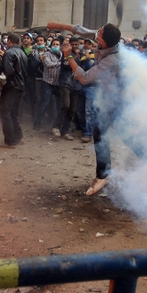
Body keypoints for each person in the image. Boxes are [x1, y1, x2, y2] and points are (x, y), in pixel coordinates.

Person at [47, 21, 122, 196]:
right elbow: (83, 30)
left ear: (102, 42)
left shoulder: (112, 59)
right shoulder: (105, 41)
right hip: (110, 94)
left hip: (120, 97)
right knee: (101, 131)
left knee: (103, 131)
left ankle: (104, 175)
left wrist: (69, 57)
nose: (96, 32)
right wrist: (60, 25)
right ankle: (105, 173)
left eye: (100, 33)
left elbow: (85, 78)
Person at [0, 33, 27, 148]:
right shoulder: (23, 53)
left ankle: (10, 141)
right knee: (14, 113)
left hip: (11, 86)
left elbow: (8, 71)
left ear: (9, 41)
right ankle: (18, 136)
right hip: (21, 86)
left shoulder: (9, 53)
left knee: (5, 113)